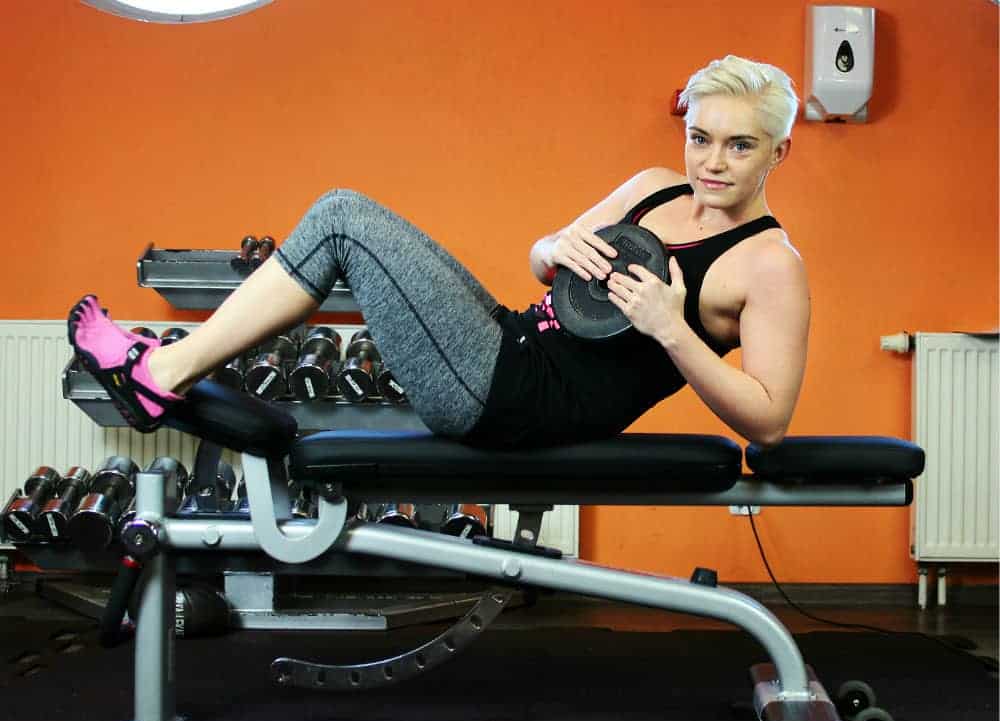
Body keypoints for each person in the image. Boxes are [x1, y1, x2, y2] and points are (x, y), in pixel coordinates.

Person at [68, 54, 809, 450]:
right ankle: (164, 371)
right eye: (700, 138)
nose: (712, 162)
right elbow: (540, 263)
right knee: (342, 219)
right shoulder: (652, 186)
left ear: (778, 151)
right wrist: (555, 244)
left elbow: (770, 421)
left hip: (521, 402)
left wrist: (671, 328)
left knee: (342, 218)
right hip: (509, 343)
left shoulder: (770, 265)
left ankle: (159, 374)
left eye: (739, 146)